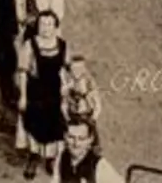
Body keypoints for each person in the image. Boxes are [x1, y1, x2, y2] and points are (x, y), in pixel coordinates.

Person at [17, 11, 69, 179]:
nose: (45, 28)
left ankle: (51, 159)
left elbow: (69, 69)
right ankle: (33, 157)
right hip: (36, 93)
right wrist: (23, 96)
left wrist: (68, 87)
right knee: (34, 125)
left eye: (49, 25)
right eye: (42, 24)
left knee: (54, 127)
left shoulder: (63, 45)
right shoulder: (29, 44)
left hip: (55, 93)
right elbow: (23, 72)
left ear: (56, 27)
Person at [48, 119, 126, 183]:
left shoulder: (99, 165)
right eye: (71, 137)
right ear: (64, 136)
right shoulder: (62, 158)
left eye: (81, 138)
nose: (76, 143)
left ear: (90, 139)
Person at [60, 56, 102, 127]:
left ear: (84, 69)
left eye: (79, 69)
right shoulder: (69, 84)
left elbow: (97, 104)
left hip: (87, 115)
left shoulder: (89, 83)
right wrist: (67, 118)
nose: (76, 72)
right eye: (74, 69)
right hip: (73, 116)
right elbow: (64, 103)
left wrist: (93, 118)